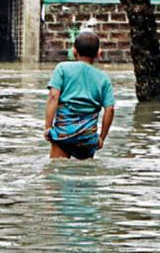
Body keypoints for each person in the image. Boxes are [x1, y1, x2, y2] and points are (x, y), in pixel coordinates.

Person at [44, 30, 115, 160]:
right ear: (99, 53)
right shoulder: (104, 79)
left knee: (56, 172)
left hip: (63, 134)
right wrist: (101, 138)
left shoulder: (62, 68)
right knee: (85, 176)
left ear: (74, 51)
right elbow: (109, 109)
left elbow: (53, 97)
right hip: (87, 138)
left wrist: (48, 127)